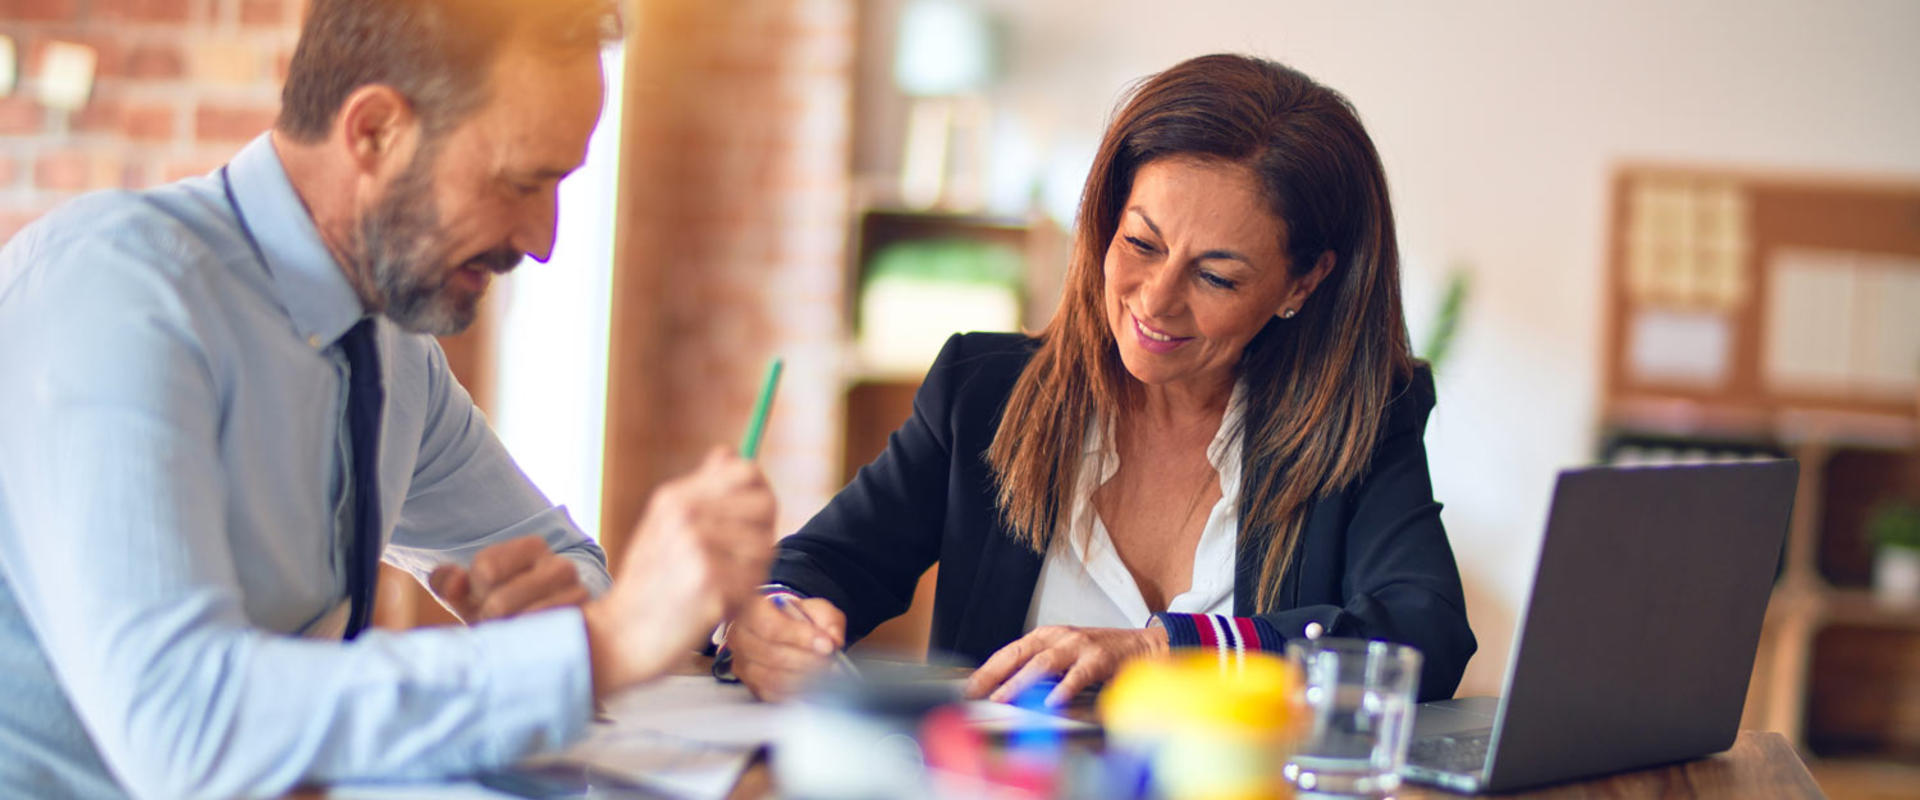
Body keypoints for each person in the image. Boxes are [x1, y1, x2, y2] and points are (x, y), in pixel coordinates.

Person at [0, 1, 775, 797]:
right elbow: (184, 727)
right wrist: (597, 648)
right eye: (520, 182)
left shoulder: (392, 353)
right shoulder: (117, 295)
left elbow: (562, 563)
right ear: (373, 131)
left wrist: (566, 617)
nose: (542, 239)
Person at [723, 53, 1476, 707]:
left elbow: (1422, 634)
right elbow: (824, 562)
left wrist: (1169, 651)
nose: (1154, 301)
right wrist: (775, 616)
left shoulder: (1366, 420)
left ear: (1302, 284)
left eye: (1215, 276)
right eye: (1139, 242)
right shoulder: (981, 393)